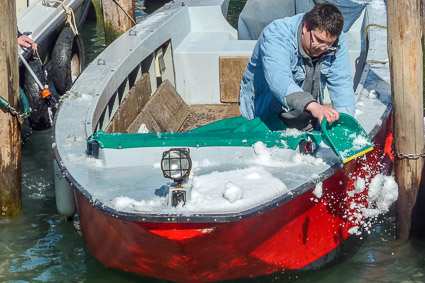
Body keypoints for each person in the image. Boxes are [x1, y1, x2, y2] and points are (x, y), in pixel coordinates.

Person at [239, 3, 355, 131]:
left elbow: (341, 82)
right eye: (318, 41)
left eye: (328, 44)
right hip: (264, 113)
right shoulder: (276, 34)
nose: (323, 48)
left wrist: (344, 125)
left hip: (307, 114)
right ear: (305, 27)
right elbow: (279, 79)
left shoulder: (336, 40)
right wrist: (314, 107)